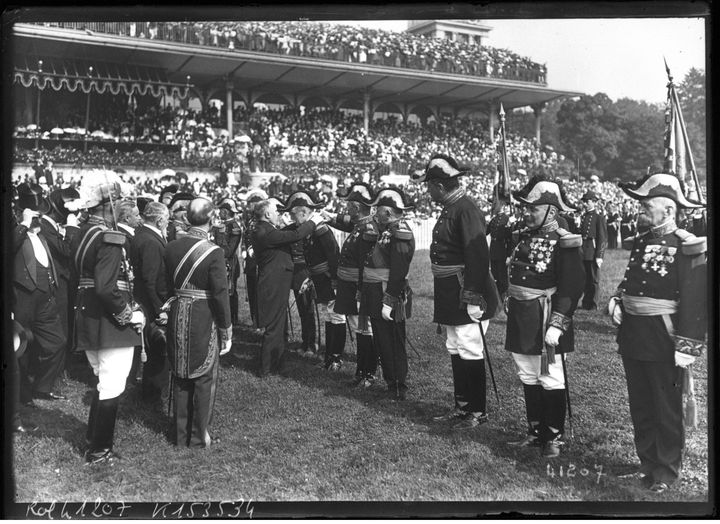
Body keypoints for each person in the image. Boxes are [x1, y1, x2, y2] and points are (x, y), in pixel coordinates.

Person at [608, 173, 707, 494]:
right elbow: (630, 281)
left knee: (665, 406)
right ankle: (647, 462)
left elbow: (696, 299)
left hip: (665, 337)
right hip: (635, 333)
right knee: (642, 404)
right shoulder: (641, 240)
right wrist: (617, 300)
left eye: (647, 206)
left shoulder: (686, 244)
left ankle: (665, 470)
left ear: (667, 210)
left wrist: (688, 343)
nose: (641, 211)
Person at [413, 154, 496, 428]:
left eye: (429, 186)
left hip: (465, 289)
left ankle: (477, 411)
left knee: (470, 346)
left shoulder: (465, 208)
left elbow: (477, 256)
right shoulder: (452, 206)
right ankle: (462, 407)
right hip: (449, 289)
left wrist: (473, 296)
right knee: (456, 346)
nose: (427, 191)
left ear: (438, 186)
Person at [504, 175, 585, 458]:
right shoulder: (524, 236)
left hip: (547, 316)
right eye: (525, 208)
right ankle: (535, 431)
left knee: (550, 376)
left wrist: (558, 322)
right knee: (527, 373)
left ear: (550, 211)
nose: (526, 213)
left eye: (532, 209)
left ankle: (554, 436)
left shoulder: (565, 242)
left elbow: (573, 286)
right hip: (522, 315)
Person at [69, 171, 145, 464]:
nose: (119, 206)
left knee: (104, 382)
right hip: (108, 321)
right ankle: (99, 450)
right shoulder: (110, 237)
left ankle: (93, 440)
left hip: (89, 317)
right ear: (106, 204)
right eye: (116, 201)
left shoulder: (84, 232)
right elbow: (106, 287)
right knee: (113, 385)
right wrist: (128, 315)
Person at [165, 198, 232, 448]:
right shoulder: (214, 252)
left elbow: (165, 285)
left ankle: (180, 435)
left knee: (181, 374)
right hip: (203, 315)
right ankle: (198, 436)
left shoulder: (171, 247)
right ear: (211, 219)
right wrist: (226, 328)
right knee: (204, 376)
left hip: (177, 310)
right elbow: (220, 294)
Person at [251, 198, 324, 377]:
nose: (279, 215)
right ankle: (266, 368)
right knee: (274, 327)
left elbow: (285, 231)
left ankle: (276, 363)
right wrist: (313, 221)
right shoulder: (266, 232)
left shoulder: (265, 229)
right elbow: (294, 236)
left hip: (276, 282)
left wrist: (301, 223)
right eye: (276, 212)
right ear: (267, 214)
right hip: (273, 284)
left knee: (279, 325)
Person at [13, 183, 68, 406]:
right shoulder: (16, 228)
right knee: (22, 347)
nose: (39, 218)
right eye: (35, 215)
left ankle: (41, 387)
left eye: (40, 215)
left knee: (57, 342)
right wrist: (23, 224)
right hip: (22, 295)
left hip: (45, 296)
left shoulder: (41, 233)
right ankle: (22, 394)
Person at [359, 188, 415, 401]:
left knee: (392, 341)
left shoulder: (399, 232)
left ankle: (398, 386)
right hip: (377, 291)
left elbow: (399, 271)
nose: (374, 214)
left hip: (387, 293)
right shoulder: (388, 230)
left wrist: (389, 300)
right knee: (383, 340)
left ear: (388, 213)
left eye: (378, 211)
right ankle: (391, 381)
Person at [325, 183, 376, 384]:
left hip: (357, 286)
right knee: (358, 327)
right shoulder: (359, 224)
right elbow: (343, 221)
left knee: (365, 328)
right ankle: (361, 371)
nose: (346, 209)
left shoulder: (367, 229)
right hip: (349, 284)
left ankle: (367, 372)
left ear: (356, 208)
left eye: (349, 206)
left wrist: (362, 290)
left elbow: (366, 265)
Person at [130, 202, 170, 403]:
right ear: (160, 220)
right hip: (151, 304)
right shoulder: (151, 241)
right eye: (167, 220)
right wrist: (160, 309)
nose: (168, 223)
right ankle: (153, 395)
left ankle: (152, 391)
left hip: (146, 300)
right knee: (158, 351)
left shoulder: (143, 235)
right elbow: (150, 279)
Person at [38, 187, 81, 358]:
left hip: (62, 281)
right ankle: (60, 367)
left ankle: (63, 365)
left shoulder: (50, 226)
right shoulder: (45, 226)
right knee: (61, 323)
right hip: (56, 283)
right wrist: (71, 228)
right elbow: (66, 250)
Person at [281, 193, 320, 357]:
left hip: (306, 274)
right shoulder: (291, 228)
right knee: (301, 310)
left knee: (307, 311)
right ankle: (304, 343)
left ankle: (311, 344)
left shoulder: (316, 229)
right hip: (293, 274)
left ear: (303, 213)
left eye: (293, 214)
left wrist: (312, 277)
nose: (290, 217)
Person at [212, 197, 243, 326]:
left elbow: (229, 251)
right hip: (220, 260)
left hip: (229, 263)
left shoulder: (234, 227)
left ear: (226, 211)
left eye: (221, 210)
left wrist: (219, 235)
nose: (219, 212)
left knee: (230, 291)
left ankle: (232, 318)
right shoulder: (222, 225)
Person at [240, 189, 267, 328]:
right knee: (252, 291)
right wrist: (245, 250)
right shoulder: (248, 220)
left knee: (262, 292)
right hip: (251, 260)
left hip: (262, 259)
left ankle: (263, 321)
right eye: (252, 204)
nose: (253, 206)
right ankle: (255, 321)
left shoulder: (264, 220)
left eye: (256, 204)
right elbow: (245, 238)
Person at [578, 190, 607, 310]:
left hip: (593, 250)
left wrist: (599, 255)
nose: (584, 204)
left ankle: (594, 304)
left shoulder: (598, 218)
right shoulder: (584, 216)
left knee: (594, 279)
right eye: (584, 201)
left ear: (594, 202)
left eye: (587, 201)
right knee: (585, 278)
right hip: (583, 250)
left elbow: (602, 238)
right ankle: (586, 302)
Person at [487, 200, 514, 299]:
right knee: (495, 275)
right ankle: (497, 296)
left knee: (502, 276)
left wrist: (508, 255)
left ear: (501, 206)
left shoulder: (506, 219)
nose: (493, 207)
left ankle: (504, 297)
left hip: (502, 250)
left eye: (495, 205)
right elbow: (485, 231)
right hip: (494, 249)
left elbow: (510, 239)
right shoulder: (494, 219)